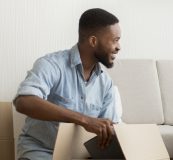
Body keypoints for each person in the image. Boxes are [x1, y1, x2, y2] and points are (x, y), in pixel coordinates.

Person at [13, 8, 121, 160]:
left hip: (80, 156)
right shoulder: (51, 65)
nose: (119, 47)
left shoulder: (106, 83)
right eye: (115, 40)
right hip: (42, 152)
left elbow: (108, 131)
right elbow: (23, 102)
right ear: (93, 41)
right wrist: (85, 120)